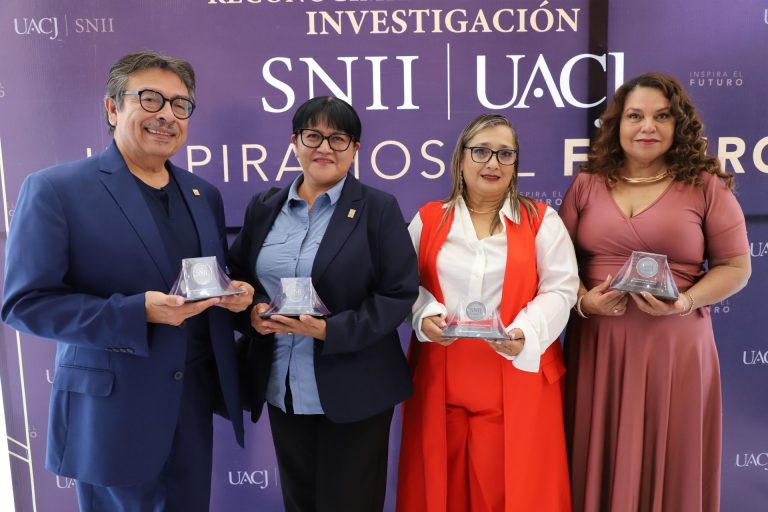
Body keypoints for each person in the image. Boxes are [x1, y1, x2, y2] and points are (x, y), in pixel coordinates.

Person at [1, 51, 254, 511]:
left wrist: (235, 296)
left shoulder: (204, 195)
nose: (167, 115)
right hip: (110, 417)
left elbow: (208, 279)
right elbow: (25, 304)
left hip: (192, 407)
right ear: (113, 108)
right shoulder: (56, 189)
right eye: (151, 99)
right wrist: (135, 312)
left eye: (180, 105)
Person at [559, 72, 751, 512]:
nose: (647, 126)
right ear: (617, 124)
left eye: (662, 116)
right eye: (635, 116)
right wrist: (583, 301)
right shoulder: (587, 183)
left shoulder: (706, 185)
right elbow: (556, 264)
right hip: (599, 347)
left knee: (671, 464)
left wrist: (685, 302)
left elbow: (736, 267)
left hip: (675, 348)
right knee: (596, 459)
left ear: (678, 124)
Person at [229, 96, 419, 512]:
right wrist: (253, 313)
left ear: (355, 149)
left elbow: (398, 293)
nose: (325, 148)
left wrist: (330, 330)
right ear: (295, 142)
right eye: (313, 136)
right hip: (284, 388)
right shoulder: (264, 207)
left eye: (338, 138)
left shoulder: (378, 208)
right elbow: (239, 276)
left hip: (355, 389)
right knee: (300, 503)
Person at [397, 114, 579, 512]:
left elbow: (561, 288)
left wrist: (527, 331)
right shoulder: (429, 219)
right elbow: (401, 285)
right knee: (440, 492)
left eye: (504, 154)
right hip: (440, 380)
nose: (492, 163)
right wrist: (424, 313)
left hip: (519, 375)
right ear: (461, 158)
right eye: (481, 151)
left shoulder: (541, 221)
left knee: (516, 493)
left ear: (515, 164)